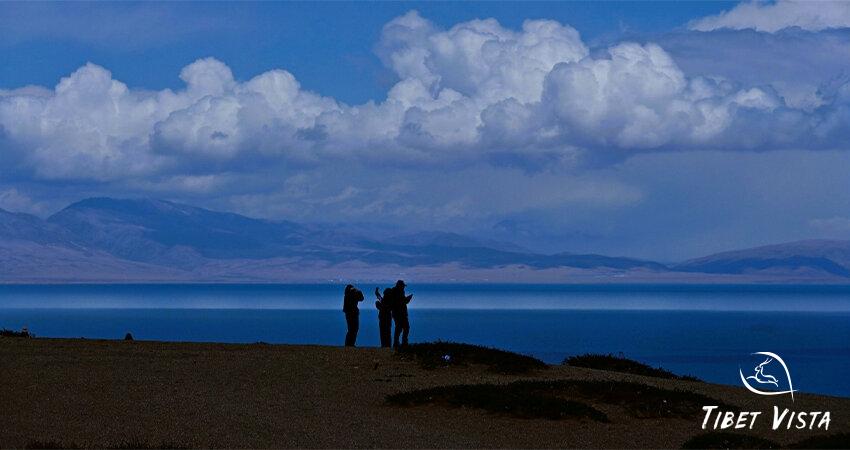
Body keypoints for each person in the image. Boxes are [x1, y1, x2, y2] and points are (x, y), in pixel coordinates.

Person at [389, 280, 413, 349]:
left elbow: (402, 301)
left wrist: (406, 299)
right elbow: (400, 302)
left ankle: (402, 343)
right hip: (398, 313)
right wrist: (407, 299)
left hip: (401, 313)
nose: (403, 287)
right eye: (403, 286)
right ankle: (398, 343)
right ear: (400, 286)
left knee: (405, 328)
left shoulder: (400, 291)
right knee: (400, 328)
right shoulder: (395, 292)